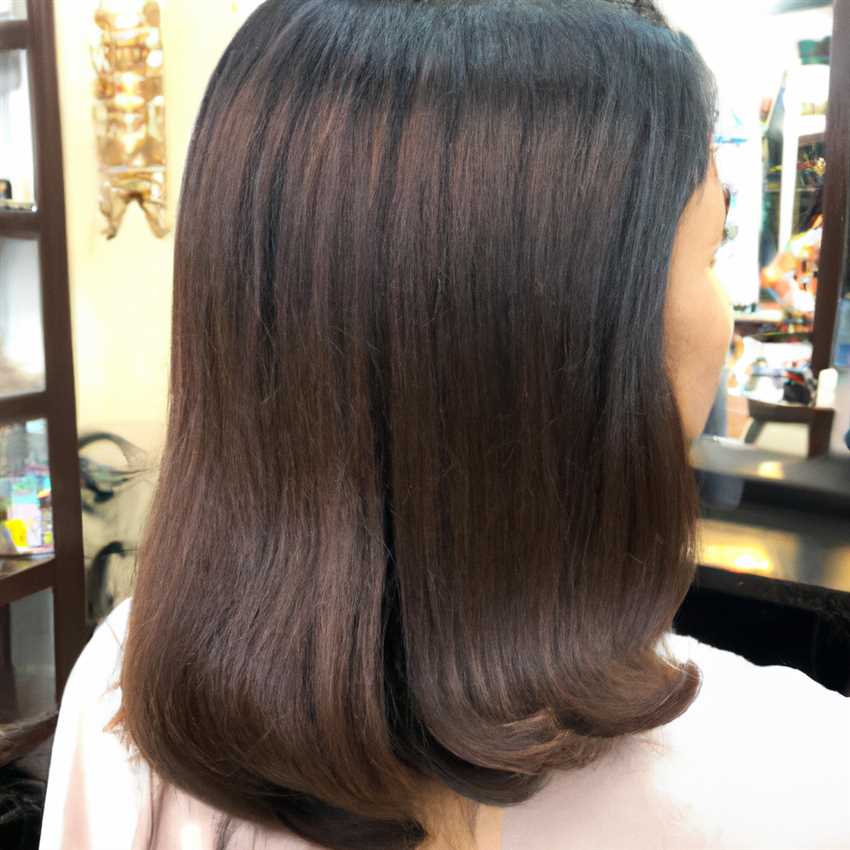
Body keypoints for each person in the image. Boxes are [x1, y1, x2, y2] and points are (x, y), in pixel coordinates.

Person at [39, 1, 850, 849]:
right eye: (712, 252)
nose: (724, 318)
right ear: (579, 332)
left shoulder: (128, 695)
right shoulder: (801, 780)